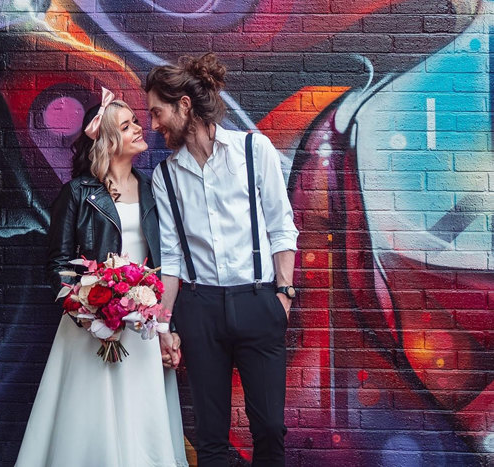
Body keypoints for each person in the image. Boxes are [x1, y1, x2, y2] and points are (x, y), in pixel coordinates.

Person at [15, 87, 188, 467]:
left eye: (136, 123)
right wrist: (89, 310)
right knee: (90, 416)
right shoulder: (78, 193)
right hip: (91, 327)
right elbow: (59, 262)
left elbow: (164, 259)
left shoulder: (152, 189)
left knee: (140, 416)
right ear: (110, 141)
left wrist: (160, 323)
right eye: (127, 127)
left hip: (141, 326)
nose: (139, 130)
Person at [147, 54, 299, 466]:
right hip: (201, 310)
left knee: (269, 426)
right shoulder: (165, 175)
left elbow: (282, 228)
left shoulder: (253, 150)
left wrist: (282, 296)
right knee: (211, 436)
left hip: (258, 301)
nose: (154, 125)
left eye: (158, 113)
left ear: (184, 105)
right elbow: (173, 257)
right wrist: (165, 324)